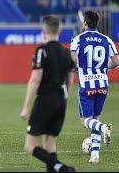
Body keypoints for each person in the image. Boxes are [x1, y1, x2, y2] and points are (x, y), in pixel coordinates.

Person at [20, 15, 76, 172]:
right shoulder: (67, 53)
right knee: (50, 145)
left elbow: (35, 79)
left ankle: (61, 167)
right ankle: (56, 167)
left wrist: (26, 107)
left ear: (44, 30)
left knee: (30, 146)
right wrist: (64, 98)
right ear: (60, 29)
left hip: (45, 99)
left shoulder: (41, 50)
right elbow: (70, 81)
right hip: (61, 100)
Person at [70, 10, 119, 163]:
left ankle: (104, 128)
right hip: (103, 84)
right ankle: (95, 155)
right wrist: (103, 67)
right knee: (95, 118)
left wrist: (78, 68)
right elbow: (116, 62)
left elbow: (72, 60)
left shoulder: (77, 39)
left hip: (86, 85)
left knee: (85, 120)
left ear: (85, 22)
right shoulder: (107, 40)